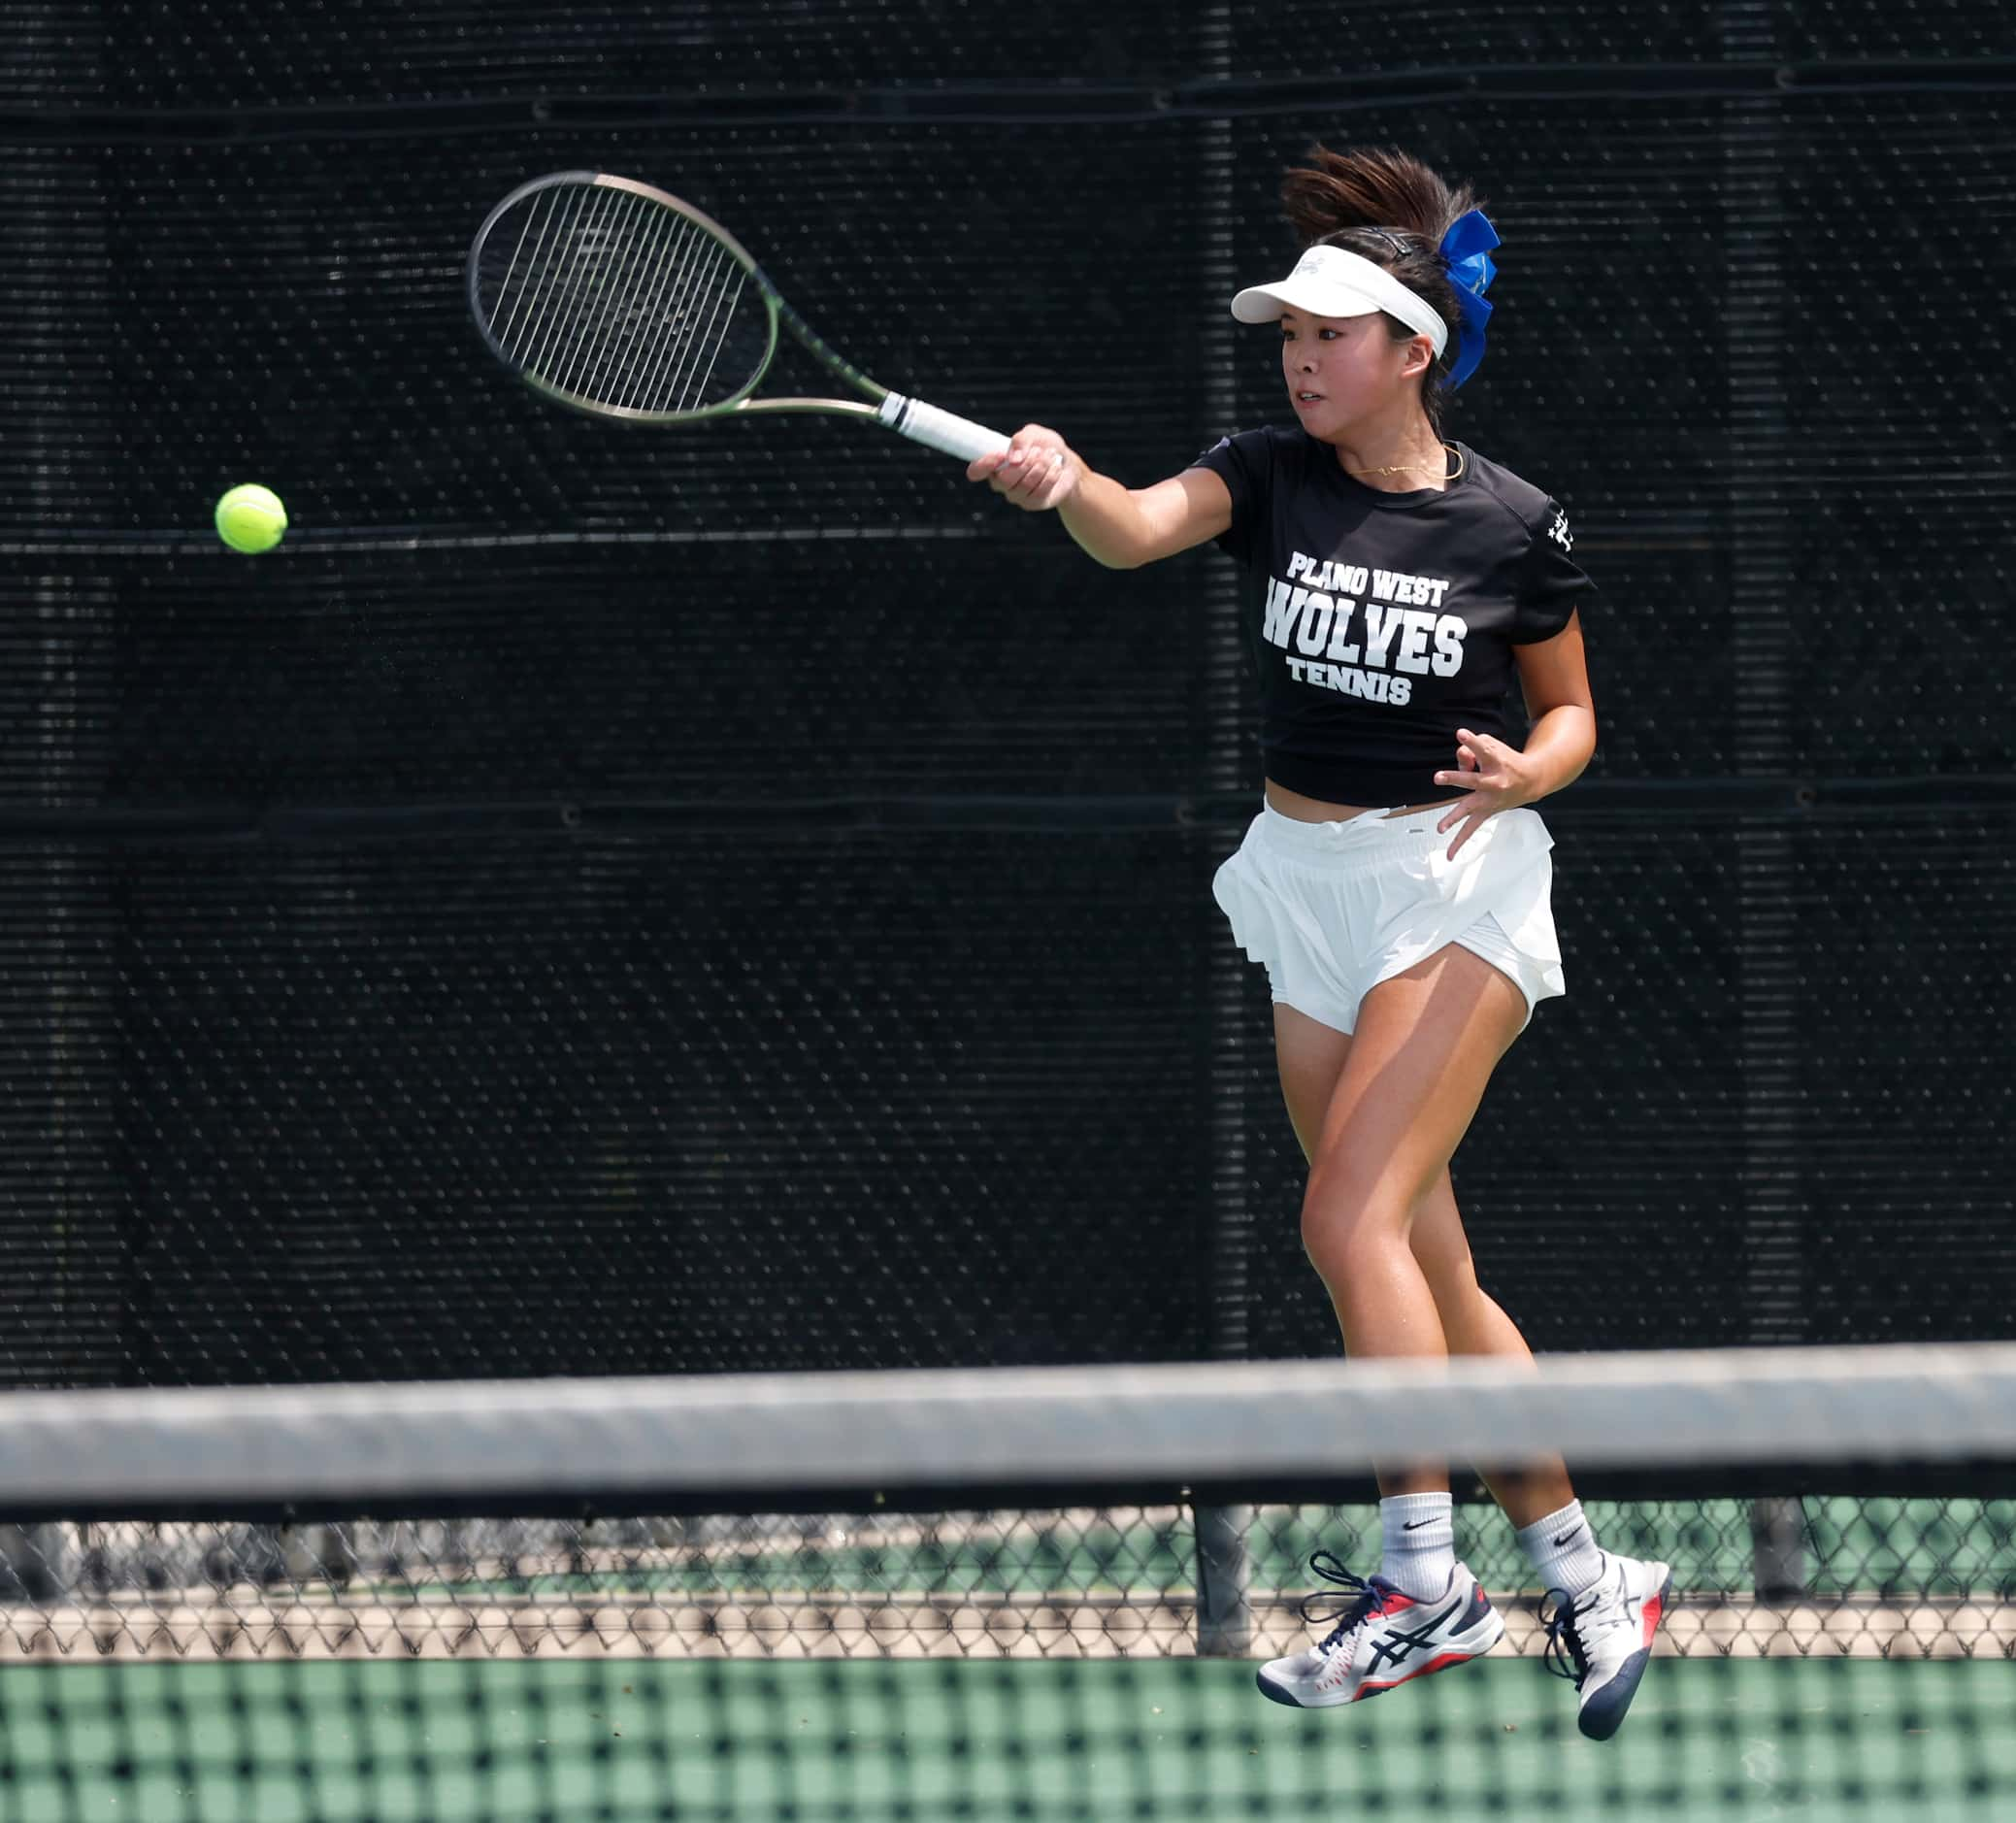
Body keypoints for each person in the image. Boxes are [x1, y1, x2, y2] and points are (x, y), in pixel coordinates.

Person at [967, 143, 1669, 1740]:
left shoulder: (1514, 527)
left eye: (1332, 332)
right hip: (1305, 884)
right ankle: (1584, 1568)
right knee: (1427, 1261)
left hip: (1455, 882)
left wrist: (1526, 769)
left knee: (1344, 1214)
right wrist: (1064, 479)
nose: (1301, 354)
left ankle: (1424, 1580)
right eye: (1289, 331)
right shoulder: (1266, 472)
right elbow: (1138, 528)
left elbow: (1571, 719)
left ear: (1412, 351)